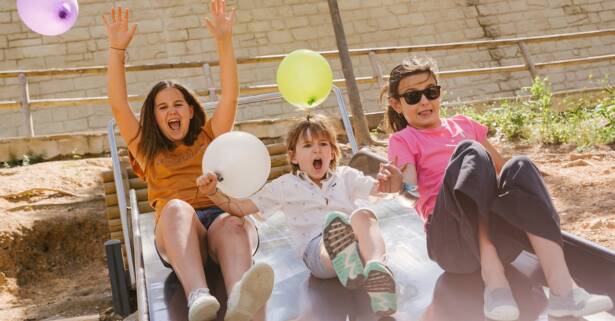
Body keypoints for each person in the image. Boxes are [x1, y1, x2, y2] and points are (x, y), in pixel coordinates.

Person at [383, 56, 613, 320]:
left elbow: (503, 171)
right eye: (412, 97)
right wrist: (395, 184)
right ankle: (495, 284)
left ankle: (564, 291)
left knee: (520, 164)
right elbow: (409, 185)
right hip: (453, 245)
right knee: (470, 151)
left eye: (430, 92)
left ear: (439, 93)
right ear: (396, 104)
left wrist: (528, 193)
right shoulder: (403, 140)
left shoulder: (465, 125)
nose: (424, 101)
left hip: (502, 241)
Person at [102, 2, 273, 321]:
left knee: (233, 222)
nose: (172, 111)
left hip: (220, 221)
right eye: (162, 107)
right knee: (177, 207)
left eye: (178, 104)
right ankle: (198, 296)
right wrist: (116, 49)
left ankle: (241, 299)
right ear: (153, 117)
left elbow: (230, 96)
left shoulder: (211, 135)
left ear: (191, 110)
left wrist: (224, 40)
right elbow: (118, 104)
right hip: (179, 232)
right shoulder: (146, 148)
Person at [197, 114, 403, 317]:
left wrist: (391, 181)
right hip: (317, 253)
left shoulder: (346, 176)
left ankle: (377, 270)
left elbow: (380, 189)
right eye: (307, 145)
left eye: (323, 144)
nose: (316, 149)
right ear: (293, 156)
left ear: (332, 152)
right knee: (329, 237)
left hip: (358, 248)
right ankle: (341, 253)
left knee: (364, 216)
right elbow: (240, 208)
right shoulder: (285, 185)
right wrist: (213, 193)